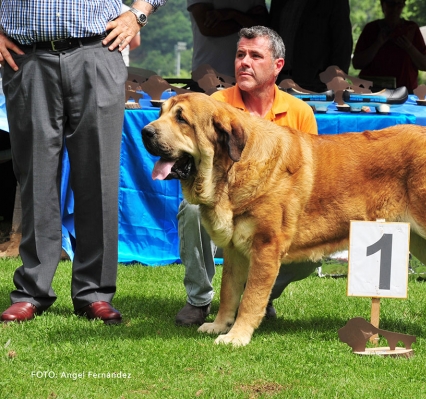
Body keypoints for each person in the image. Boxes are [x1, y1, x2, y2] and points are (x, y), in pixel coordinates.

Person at [0, 0, 167, 324]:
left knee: (99, 177)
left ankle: (95, 292)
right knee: (36, 176)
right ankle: (32, 291)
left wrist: (138, 14)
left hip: (97, 51)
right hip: (27, 56)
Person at [175, 26, 318, 326]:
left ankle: (257, 297)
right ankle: (199, 300)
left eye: (255, 55)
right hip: (224, 206)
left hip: (271, 215)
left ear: (277, 66)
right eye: (240, 55)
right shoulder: (215, 105)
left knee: (311, 254)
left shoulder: (300, 112)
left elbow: (307, 182)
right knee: (190, 209)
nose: (244, 62)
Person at [269, 0, 353, 92]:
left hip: (314, 85)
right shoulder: (279, 3)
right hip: (277, 80)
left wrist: (337, 81)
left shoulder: (333, 3)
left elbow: (342, 43)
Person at [352, 0, 426, 92]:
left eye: (399, 5)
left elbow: (425, 65)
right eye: (391, 4)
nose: (395, 9)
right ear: (382, 5)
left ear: (403, 6)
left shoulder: (411, 29)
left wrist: (409, 47)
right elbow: (357, 63)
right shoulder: (371, 29)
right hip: (373, 92)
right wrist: (377, 44)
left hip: (405, 93)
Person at [188, 0, 268, 77]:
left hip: (248, 71)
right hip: (209, 73)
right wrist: (244, 20)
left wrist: (232, 15)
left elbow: (263, 25)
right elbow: (208, 28)